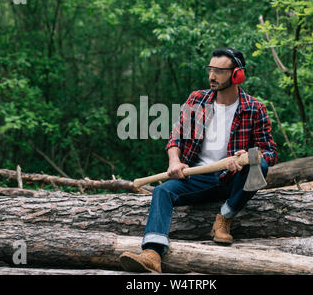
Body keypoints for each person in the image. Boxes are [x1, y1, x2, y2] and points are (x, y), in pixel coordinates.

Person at [119, 47, 277, 273]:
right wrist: (174, 161)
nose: (212, 76)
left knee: (258, 165)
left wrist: (246, 157)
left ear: (237, 75)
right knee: (162, 192)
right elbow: (176, 137)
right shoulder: (198, 99)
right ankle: (152, 254)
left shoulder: (254, 109)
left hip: (231, 180)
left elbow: (270, 153)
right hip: (198, 178)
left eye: (219, 71)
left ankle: (225, 217)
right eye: (210, 70)